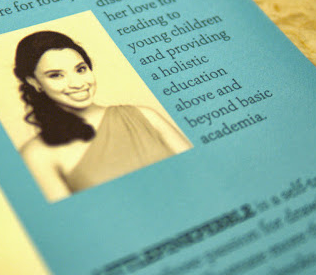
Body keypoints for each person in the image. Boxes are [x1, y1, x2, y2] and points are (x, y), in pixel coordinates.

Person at [14, 31, 192, 201]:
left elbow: (197, 168)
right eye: (56, 75)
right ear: (34, 82)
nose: (77, 83)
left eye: (80, 69)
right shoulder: (36, 154)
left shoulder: (145, 115)